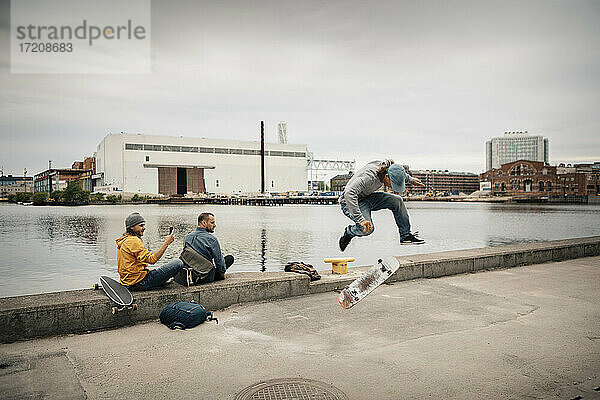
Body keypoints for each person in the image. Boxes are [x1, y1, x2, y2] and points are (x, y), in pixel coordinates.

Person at [338, 159, 426, 251]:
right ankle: (349, 232)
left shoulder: (387, 167)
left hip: (367, 198)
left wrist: (411, 180)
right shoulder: (368, 177)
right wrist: (360, 219)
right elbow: (349, 193)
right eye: (392, 184)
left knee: (397, 200)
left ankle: (405, 236)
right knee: (367, 229)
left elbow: (396, 170)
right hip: (349, 203)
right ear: (387, 176)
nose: (392, 187)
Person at [116, 212, 184, 290]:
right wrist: (166, 243)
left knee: (159, 270)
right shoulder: (133, 241)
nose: (144, 228)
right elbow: (152, 259)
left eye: (144, 225)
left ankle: (161, 281)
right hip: (140, 282)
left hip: (128, 282)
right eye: (141, 225)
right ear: (131, 227)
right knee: (178, 263)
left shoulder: (124, 239)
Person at [183, 212, 234, 283]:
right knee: (229, 258)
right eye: (212, 223)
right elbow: (219, 261)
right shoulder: (212, 239)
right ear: (204, 223)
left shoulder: (187, 237)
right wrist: (222, 274)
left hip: (191, 274)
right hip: (205, 276)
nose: (215, 225)